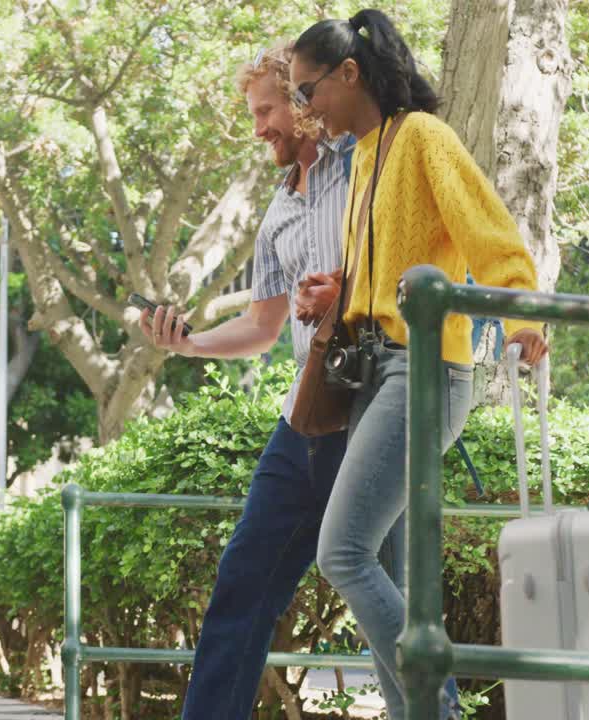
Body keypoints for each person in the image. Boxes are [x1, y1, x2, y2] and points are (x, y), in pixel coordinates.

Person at [289, 10, 549, 720]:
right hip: (375, 374)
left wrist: (522, 312)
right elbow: (390, 265)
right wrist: (336, 294)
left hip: (425, 369)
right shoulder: (366, 153)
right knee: (389, 571)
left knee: (341, 552)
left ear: (349, 73)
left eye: (307, 92)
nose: (302, 113)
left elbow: (487, 231)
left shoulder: (424, 137)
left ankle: (439, 709)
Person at [138, 43, 403, 719]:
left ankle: (434, 708)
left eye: (267, 110)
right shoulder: (280, 210)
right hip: (307, 417)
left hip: (378, 406)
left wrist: (346, 286)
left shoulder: (367, 163)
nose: (259, 129)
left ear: (305, 99)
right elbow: (261, 326)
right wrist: (189, 344)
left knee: (386, 592)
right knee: (245, 576)